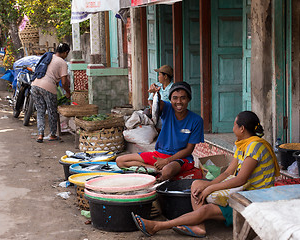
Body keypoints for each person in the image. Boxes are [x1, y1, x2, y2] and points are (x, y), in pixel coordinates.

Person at [131, 111, 280, 238]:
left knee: (206, 208)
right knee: (197, 184)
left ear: (241, 128)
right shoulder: (242, 144)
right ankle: (199, 226)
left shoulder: (255, 146)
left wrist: (210, 188)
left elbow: (241, 179)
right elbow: (228, 172)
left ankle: (157, 226)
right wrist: (208, 185)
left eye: (234, 124)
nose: (232, 127)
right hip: (243, 191)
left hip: (254, 199)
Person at [116, 81, 204, 181]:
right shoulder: (167, 108)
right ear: (170, 99)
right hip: (159, 154)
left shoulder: (196, 120)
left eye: (183, 98)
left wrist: (167, 161)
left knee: (167, 171)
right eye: (175, 98)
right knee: (120, 161)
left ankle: (160, 174)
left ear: (188, 99)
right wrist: (155, 93)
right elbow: (157, 104)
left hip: (180, 158)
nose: (178, 102)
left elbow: (189, 150)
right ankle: (157, 170)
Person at [31, 43, 71, 143]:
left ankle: (40, 134)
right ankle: (53, 134)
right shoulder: (62, 62)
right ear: (65, 52)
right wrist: (67, 92)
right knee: (52, 111)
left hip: (35, 84)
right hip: (48, 87)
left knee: (40, 111)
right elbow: (64, 82)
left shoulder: (49, 56)